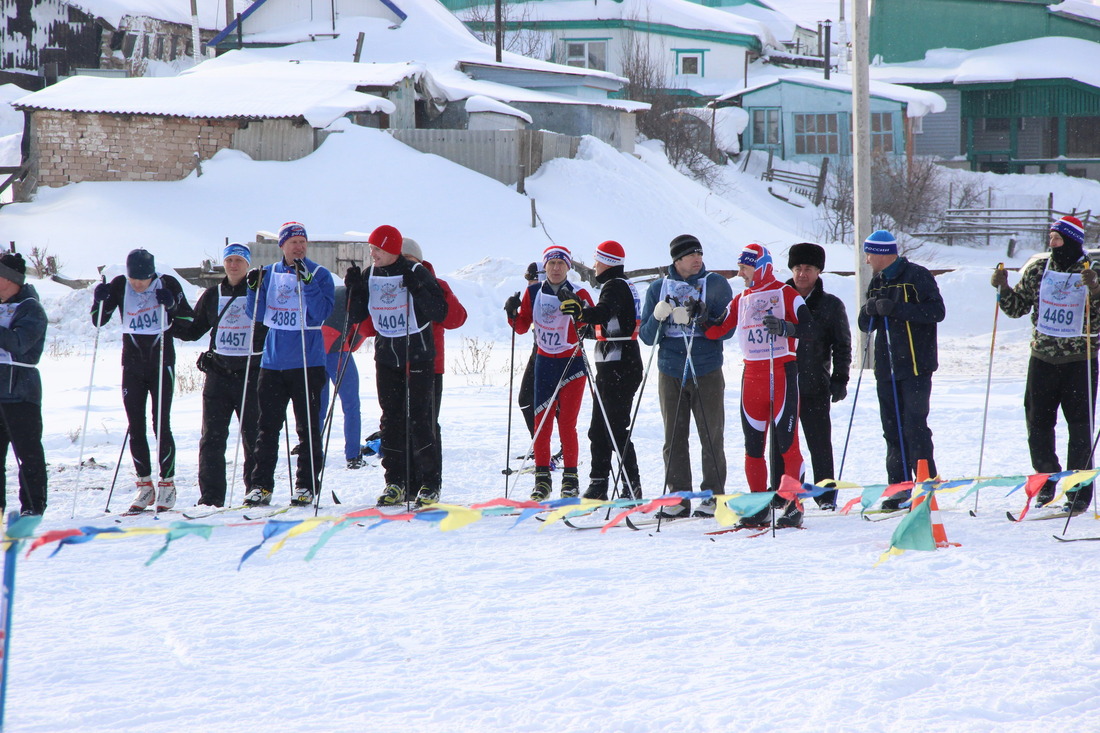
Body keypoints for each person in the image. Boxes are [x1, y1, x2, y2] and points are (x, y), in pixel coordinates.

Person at [992, 215, 1098, 513]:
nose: (1051, 243)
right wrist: (1003, 289)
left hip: (1080, 360)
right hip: (1043, 358)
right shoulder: (1040, 268)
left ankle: (1078, 492)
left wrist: (1096, 290)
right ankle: (1046, 481)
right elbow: (1017, 308)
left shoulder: (1092, 270)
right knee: (1038, 425)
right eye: (1050, 238)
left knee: (1079, 428)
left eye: (1057, 239)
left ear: (1072, 241)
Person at [706, 243, 811, 528]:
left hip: (782, 373)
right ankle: (758, 505)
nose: (740, 273)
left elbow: (810, 326)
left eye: (745, 267)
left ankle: (793, 504)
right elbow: (717, 328)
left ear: (761, 267)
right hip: (752, 377)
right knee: (753, 447)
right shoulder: (742, 298)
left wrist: (787, 328)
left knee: (787, 444)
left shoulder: (785, 293)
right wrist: (698, 314)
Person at [345, 224, 449, 507]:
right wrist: (353, 289)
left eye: (377, 249)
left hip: (418, 356)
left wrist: (417, 289)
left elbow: (440, 311)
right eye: (371, 249)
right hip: (387, 357)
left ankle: (429, 484)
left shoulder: (416, 272)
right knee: (391, 421)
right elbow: (357, 316)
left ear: (391, 249)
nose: (372, 254)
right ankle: (395, 482)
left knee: (420, 419)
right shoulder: (371, 274)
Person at [90, 248, 194, 513]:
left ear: (152, 274)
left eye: (143, 278)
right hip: (132, 366)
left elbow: (188, 323)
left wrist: (171, 305)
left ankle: (167, 485)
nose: (138, 284)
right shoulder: (120, 285)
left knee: (161, 423)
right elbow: (98, 321)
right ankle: (145, 485)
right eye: (133, 278)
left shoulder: (167, 283)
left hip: (161, 364)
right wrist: (98, 301)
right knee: (135, 426)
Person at [639, 234, 733, 518]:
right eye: (691, 255)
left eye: (700, 254)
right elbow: (646, 337)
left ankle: (713, 496)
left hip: (706, 368)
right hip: (671, 369)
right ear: (676, 260)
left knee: (711, 434)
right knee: (674, 437)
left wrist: (705, 319)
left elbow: (727, 329)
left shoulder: (715, 284)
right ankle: (678, 497)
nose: (697, 259)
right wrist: (657, 317)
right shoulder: (658, 288)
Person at [243, 222, 335, 507]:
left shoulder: (319, 274)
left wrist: (307, 284)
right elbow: (255, 314)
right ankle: (261, 486)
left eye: (302, 242)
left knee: (307, 428)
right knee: (267, 427)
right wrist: (252, 290)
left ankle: (306, 486)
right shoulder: (268, 273)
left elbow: (320, 314)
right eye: (293, 242)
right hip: (273, 362)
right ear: (281, 245)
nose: (299, 247)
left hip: (307, 362)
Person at [857, 230, 945, 510]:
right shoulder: (877, 281)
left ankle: (925, 484)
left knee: (914, 427)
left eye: (869, 254)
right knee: (891, 429)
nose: (867, 260)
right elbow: (864, 324)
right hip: (886, 368)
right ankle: (899, 487)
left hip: (916, 366)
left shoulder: (917, 275)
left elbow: (936, 312)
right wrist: (869, 309)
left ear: (881, 254)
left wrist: (896, 309)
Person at [176, 243, 266, 507]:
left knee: (253, 436)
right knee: (212, 438)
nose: (234, 265)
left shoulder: (259, 292)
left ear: (248, 264)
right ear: (223, 265)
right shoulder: (212, 295)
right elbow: (194, 329)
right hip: (218, 374)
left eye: (239, 260)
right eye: (229, 261)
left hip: (251, 373)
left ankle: (255, 489)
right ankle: (211, 496)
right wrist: (170, 317)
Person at [505, 245, 594, 500]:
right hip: (544, 363)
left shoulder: (580, 292)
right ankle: (542, 479)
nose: (556, 268)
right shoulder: (533, 292)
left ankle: (571, 478)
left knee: (567, 424)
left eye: (561, 264)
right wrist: (512, 312)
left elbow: (592, 325)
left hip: (572, 364)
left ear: (568, 267)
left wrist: (581, 314)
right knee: (541, 422)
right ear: (545, 267)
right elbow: (521, 327)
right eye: (551, 264)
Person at [565, 240, 643, 500]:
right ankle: (598, 484)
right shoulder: (620, 286)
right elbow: (609, 325)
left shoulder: (615, 286)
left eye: (597, 260)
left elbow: (602, 313)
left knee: (614, 428)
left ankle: (631, 486)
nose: (594, 265)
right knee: (600, 429)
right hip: (616, 365)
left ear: (607, 262)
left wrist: (582, 313)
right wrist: (583, 325)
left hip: (621, 366)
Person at [785, 242, 851, 510]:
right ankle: (784, 493)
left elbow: (842, 345)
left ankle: (825, 496)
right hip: (784, 386)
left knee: (820, 445)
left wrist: (840, 378)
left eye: (808, 269)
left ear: (818, 271)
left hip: (815, 385)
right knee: (783, 445)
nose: (802, 274)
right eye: (798, 268)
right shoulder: (778, 297)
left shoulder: (831, 305)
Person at [401, 238, 467, 491]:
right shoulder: (390, 285)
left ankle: (429, 482)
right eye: (401, 260)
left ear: (419, 261)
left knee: (425, 424)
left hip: (429, 366)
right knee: (400, 424)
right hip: (394, 364)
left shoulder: (436, 284)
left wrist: (432, 292)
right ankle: (405, 481)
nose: (405, 266)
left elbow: (457, 319)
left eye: (410, 261)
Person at [0, 253, 48, 516]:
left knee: (27, 455)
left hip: (21, 393)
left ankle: (33, 506)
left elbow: (20, 343)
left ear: (9, 279)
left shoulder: (31, 308)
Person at [319, 285, 371, 469]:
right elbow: (362, 330)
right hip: (338, 350)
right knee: (351, 405)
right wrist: (349, 346)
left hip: (315, 348)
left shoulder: (338, 290)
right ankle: (353, 455)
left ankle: (313, 452)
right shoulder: (364, 295)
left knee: (318, 406)